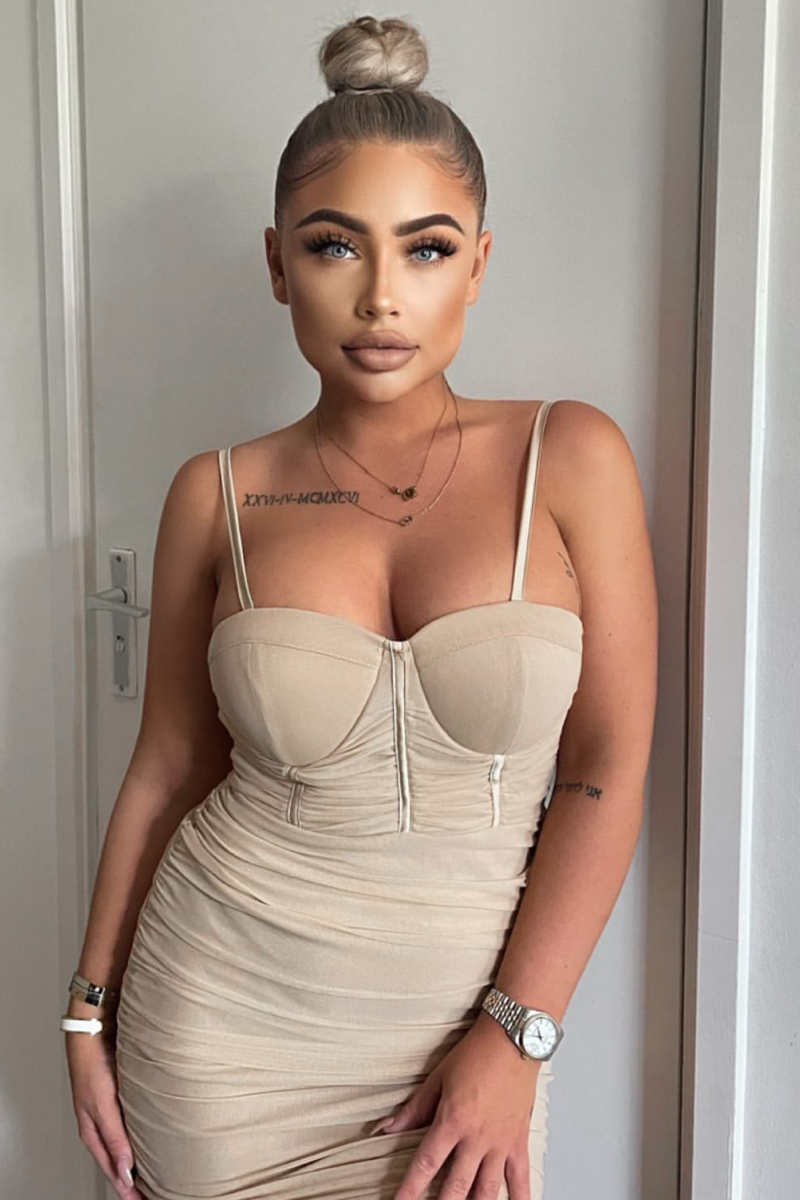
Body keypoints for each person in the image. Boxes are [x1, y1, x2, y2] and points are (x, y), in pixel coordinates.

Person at [62, 13, 658, 1200]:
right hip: (217, 1040)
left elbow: (604, 771)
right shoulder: (216, 493)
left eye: (425, 249)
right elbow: (168, 767)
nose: (382, 296)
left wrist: (516, 1035)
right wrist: (87, 1010)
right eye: (335, 245)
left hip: (460, 1055)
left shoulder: (569, 458)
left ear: (477, 264)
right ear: (277, 263)